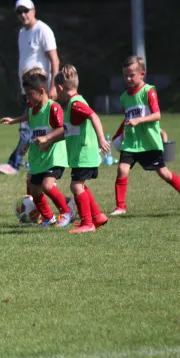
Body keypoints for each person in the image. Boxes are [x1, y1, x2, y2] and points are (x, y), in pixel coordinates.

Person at [35, 65, 110, 233]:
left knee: (76, 187)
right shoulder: (71, 105)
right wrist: (49, 142)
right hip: (80, 154)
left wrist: (100, 139)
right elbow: (69, 132)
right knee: (80, 186)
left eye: (55, 89)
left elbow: (93, 115)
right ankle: (97, 217)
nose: (54, 93)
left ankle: (87, 223)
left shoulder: (76, 104)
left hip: (84, 153)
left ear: (60, 88)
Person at [0, 69, 72, 227]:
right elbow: (34, 128)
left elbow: (62, 129)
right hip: (38, 157)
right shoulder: (33, 111)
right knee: (34, 190)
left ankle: (66, 212)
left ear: (41, 91)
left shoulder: (53, 108)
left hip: (54, 156)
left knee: (47, 186)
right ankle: (48, 217)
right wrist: (26, 143)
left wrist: (47, 138)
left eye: (29, 94)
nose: (27, 98)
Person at [110, 56, 180, 215]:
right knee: (122, 169)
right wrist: (118, 134)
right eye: (125, 76)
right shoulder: (124, 97)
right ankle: (120, 206)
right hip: (131, 142)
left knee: (164, 173)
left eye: (131, 75)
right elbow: (127, 118)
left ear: (142, 74)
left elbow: (157, 115)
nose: (128, 79)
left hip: (148, 142)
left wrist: (139, 120)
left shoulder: (149, 91)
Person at [0, 0, 60, 176]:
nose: (23, 15)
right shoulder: (22, 34)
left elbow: (54, 60)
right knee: (34, 125)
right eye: (19, 12)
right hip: (28, 88)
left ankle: (15, 164)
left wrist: (53, 86)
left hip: (41, 88)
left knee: (29, 125)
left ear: (33, 10)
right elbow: (23, 61)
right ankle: (36, 160)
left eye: (26, 10)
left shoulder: (43, 30)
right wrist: (21, 88)